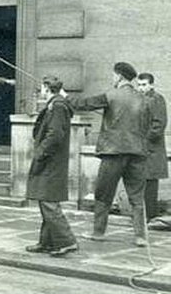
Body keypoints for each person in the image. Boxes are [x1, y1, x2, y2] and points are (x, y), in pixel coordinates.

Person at [64, 62, 150, 246]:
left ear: (119, 76)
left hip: (113, 153)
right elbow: (148, 126)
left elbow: (84, 104)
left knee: (103, 195)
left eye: (113, 75)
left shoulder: (111, 95)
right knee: (136, 196)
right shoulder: (143, 98)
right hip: (137, 153)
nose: (112, 78)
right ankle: (141, 236)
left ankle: (98, 232)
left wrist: (65, 96)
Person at [25, 76, 78, 257]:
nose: (40, 91)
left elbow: (55, 135)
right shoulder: (56, 105)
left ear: (47, 88)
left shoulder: (57, 106)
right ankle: (47, 242)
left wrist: (40, 153)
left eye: (42, 88)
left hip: (50, 162)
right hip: (51, 161)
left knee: (48, 202)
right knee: (45, 200)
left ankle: (67, 241)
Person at [137, 72, 168, 222]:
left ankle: (150, 217)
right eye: (139, 85)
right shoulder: (140, 99)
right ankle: (143, 217)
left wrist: (143, 140)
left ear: (151, 85)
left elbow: (158, 125)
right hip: (141, 149)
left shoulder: (157, 99)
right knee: (140, 182)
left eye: (144, 85)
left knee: (150, 185)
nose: (141, 88)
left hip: (151, 149)